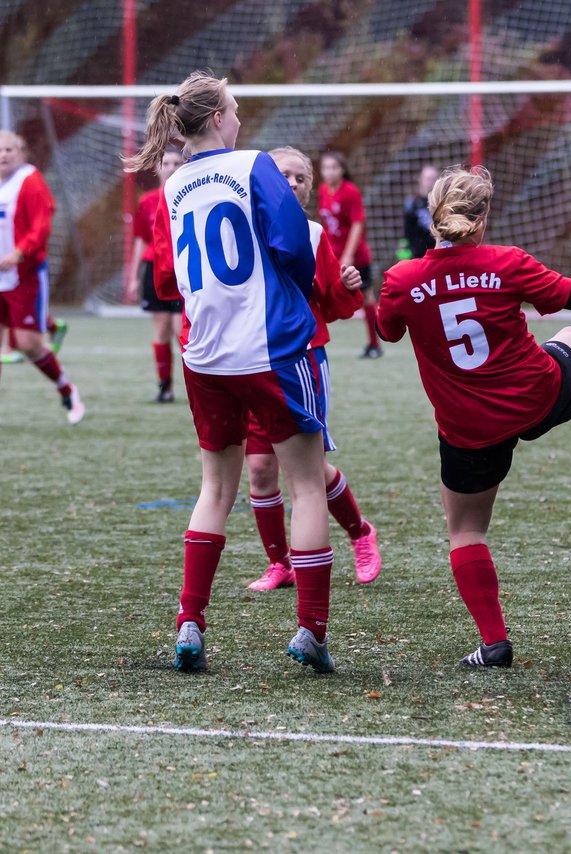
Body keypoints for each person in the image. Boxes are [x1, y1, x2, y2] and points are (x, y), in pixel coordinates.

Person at [376, 165, 571, 667]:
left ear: (432, 218)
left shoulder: (402, 280)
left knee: (466, 532)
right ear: (483, 218)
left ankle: (494, 644)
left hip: (469, 430)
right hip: (538, 397)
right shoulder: (507, 263)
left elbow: (387, 332)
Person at [125, 71, 337, 674]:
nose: (240, 118)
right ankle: (311, 631)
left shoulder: (171, 187)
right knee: (305, 486)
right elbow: (296, 245)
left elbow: (167, 281)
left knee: (215, 490)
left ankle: (190, 623)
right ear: (217, 118)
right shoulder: (254, 165)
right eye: (236, 109)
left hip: (205, 354)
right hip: (272, 347)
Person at [245, 146, 382, 591]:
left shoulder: (313, 234)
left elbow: (335, 305)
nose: (292, 183)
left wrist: (347, 287)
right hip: (249, 359)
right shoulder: (242, 227)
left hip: (304, 358)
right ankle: (279, 564)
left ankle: (360, 533)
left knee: (308, 468)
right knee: (261, 469)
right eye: (282, 174)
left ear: (309, 189)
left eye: (301, 178)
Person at [0, 129, 84, 428]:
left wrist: (20, 252)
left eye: (9, 149)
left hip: (23, 276)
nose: (4, 155)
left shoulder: (29, 180)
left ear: (21, 152)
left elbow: (42, 223)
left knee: (28, 343)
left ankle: (67, 390)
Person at [126, 147, 185, 402]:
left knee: (181, 330)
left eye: (176, 163)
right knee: (161, 330)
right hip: (154, 269)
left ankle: (203, 386)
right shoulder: (147, 201)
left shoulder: (190, 196)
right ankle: (165, 387)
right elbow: (140, 240)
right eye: (167, 163)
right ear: (158, 169)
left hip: (182, 269)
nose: (171, 167)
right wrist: (133, 276)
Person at [318, 150, 381, 358]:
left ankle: (374, 344)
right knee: (324, 293)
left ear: (342, 170)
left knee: (366, 296)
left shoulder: (350, 191)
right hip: (333, 255)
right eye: (326, 167)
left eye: (334, 167)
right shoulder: (323, 190)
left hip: (355, 257)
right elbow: (327, 225)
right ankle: (319, 339)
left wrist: (348, 254)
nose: (329, 171)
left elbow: (357, 224)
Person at [402, 164, 439, 259]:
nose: (431, 182)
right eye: (428, 179)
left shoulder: (442, 203)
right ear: (420, 179)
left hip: (438, 254)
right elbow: (408, 233)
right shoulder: (412, 204)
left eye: (434, 179)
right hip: (419, 256)